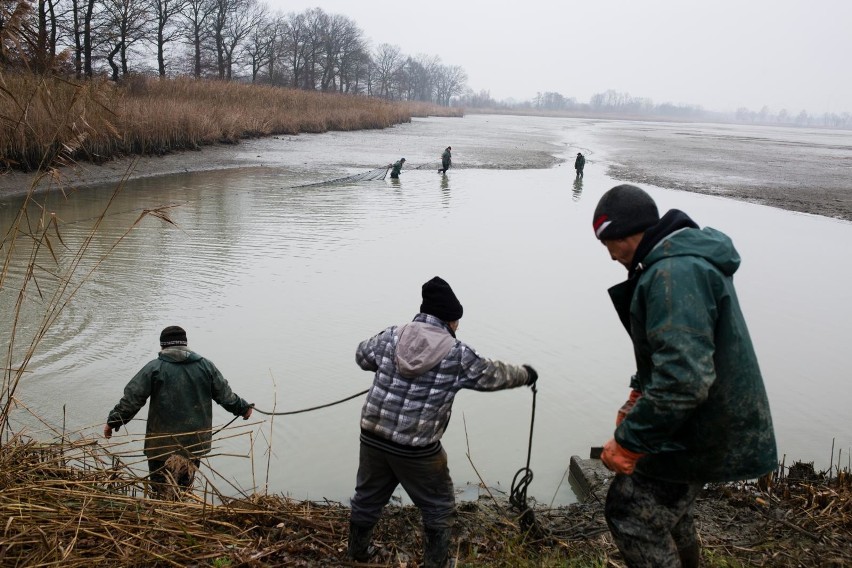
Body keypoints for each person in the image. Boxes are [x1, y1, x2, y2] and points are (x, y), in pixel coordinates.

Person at [591, 184, 777, 568]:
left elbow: (684, 380)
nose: (610, 255)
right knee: (669, 506)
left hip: (704, 425)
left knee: (629, 513)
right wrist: (639, 394)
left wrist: (628, 442)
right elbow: (675, 354)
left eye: (611, 242)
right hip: (706, 418)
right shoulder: (676, 262)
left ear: (632, 232)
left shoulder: (672, 274)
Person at [349, 276, 538, 567]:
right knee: (439, 507)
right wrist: (526, 374)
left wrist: (384, 365)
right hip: (417, 450)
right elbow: (493, 376)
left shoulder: (391, 336)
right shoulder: (457, 353)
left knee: (367, 497)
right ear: (451, 321)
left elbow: (362, 356)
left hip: (372, 436)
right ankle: (436, 563)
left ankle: (359, 554)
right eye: (457, 322)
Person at [104, 326, 253, 491]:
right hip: (193, 444)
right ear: (186, 344)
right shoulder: (205, 366)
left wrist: (113, 422)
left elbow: (132, 399)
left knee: (161, 492)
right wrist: (243, 408)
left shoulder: (154, 368)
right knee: (184, 490)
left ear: (163, 346)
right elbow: (226, 396)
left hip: (160, 446)